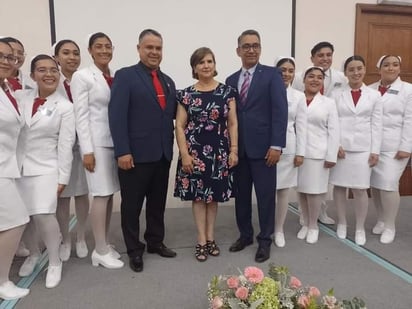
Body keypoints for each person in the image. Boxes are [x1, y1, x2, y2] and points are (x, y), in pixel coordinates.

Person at [108, 29, 177, 273]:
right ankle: (134, 250)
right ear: (139, 49)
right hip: (134, 156)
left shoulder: (168, 80)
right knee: (132, 206)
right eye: (149, 47)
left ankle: (155, 242)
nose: (154, 52)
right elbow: (116, 117)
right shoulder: (125, 76)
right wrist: (122, 151)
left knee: (157, 203)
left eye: (158, 48)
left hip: (161, 154)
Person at [225, 29, 288, 263]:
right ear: (238, 50)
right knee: (241, 197)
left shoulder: (272, 75)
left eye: (256, 45)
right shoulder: (231, 80)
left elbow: (280, 112)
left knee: (264, 197)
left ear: (260, 49)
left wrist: (276, 145)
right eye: (246, 46)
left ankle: (264, 240)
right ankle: (245, 235)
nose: (251, 49)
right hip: (238, 150)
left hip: (264, 150)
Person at [15, 54, 75, 288]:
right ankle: (32, 253)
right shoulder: (20, 97)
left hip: (47, 168)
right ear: (32, 75)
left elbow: (66, 144)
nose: (48, 74)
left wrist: (63, 177)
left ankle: (54, 261)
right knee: (25, 218)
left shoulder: (65, 107)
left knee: (42, 214)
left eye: (53, 70)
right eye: (42, 70)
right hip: (18, 168)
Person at [174, 47, 238, 261]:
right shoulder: (186, 94)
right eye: (201, 62)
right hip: (195, 153)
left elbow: (232, 123)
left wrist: (234, 150)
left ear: (214, 64)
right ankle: (201, 240)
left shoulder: (227, 92)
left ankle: (211, 238)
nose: (206, 65)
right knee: (199, 198)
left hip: (219, 152)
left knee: (213, 198)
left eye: (209, 61)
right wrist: (184, 154)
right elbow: (180, 126)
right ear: (194, 67)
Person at [71, 32, 123, 269]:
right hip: (96, 143)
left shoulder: (112, 75)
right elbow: (80, 116)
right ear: (90, 50)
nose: (104, 50)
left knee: (110, 193)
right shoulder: (83, 76)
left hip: (113, 142)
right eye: (98, 46)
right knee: (100, 195)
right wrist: (87, 151)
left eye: (108, 46)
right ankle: (99, 250)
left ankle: (105, 242)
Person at [330, 55, 382, 245]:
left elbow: (377, 124)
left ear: (365, 69)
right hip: (341, 148)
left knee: (360, 190)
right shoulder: (335, 94)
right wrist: (335, 145)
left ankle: (360, 227)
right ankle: (342, 223)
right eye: (351, 69)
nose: (355, 72)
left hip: (363, 149)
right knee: (339, 186)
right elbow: (332, 122)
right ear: (345, 73)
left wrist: (375, 150)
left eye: (359, 68)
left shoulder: (374, 95)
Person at [293, 41, 346, 225]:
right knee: (303, 186)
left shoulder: (341, 78)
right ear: (312, 57)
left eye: (328, 55)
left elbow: (337, 121)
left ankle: (317, 216)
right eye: (320, 55)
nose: (325, 58)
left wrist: (335, 147)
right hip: (300, 146)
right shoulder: (299, 80)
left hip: (321, 144)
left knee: (319, 186)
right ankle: (305, 215)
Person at [369, 55, 412, 244]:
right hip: (373, 146)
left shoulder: (408, 90)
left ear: (400, 68)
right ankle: (381, 219)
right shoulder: (370, 89)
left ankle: (390, 225)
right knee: (376, 185)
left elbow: (410, 120)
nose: (391, 68)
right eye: (386, 65)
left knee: (388, 184)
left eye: (395, 65)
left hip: (395, 147)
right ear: (380, 68)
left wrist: (406, 146)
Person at [53, 40, 90, 261]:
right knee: (63, 196)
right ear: (56, 57)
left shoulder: (85, 79)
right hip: (59, 146)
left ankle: (81, 237)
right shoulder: (51, 81)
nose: (72, 57)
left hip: (84, 145)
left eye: (75, 53)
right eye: (65, 53)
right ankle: (65, 239)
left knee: (83, 193)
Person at [0, 39, 30, 300]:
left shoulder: (8, 88)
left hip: (9, 165)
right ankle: (2, 281)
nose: (7, 61)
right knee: (17, 220)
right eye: (2, 56)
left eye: (10, 57)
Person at [296, 66, 339, 244]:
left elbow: (334, 130)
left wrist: (331, 156)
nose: (315, 80)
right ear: (304, 80)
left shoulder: (328, 103)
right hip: (297, 154)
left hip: (318, 154)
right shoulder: (296, 99)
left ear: (322, 82)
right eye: (311, 76)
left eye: (319, 78)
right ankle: (305, 223)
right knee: (302, 191)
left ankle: (313, 225)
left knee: (315, 193)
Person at [273, 57, 307, 248]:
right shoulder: (267, 92)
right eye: (282, 70)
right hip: (268, 149)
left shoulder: (299, 97)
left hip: (289, 148)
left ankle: (279, 230)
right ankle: (266, 228)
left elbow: (301, 126)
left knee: (283, 192)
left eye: (290, 70)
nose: (286, 74)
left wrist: (300, 152)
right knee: (267, 192)